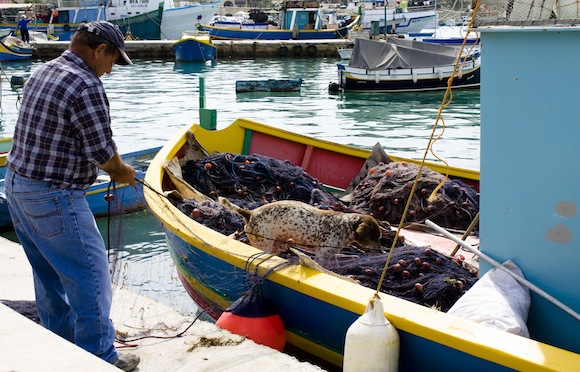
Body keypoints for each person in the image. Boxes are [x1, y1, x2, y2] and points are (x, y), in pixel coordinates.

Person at [5, 21, 140, 371]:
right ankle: (99, 356)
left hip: (17, 187)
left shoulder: (43, 70)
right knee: (90, 274)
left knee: (48, 274)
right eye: (112, 60)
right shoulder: (86, 84)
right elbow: (104, 155)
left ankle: (62, 347)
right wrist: (125, 174)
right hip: (53, 195)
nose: (110, 70)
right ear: (98, 51)